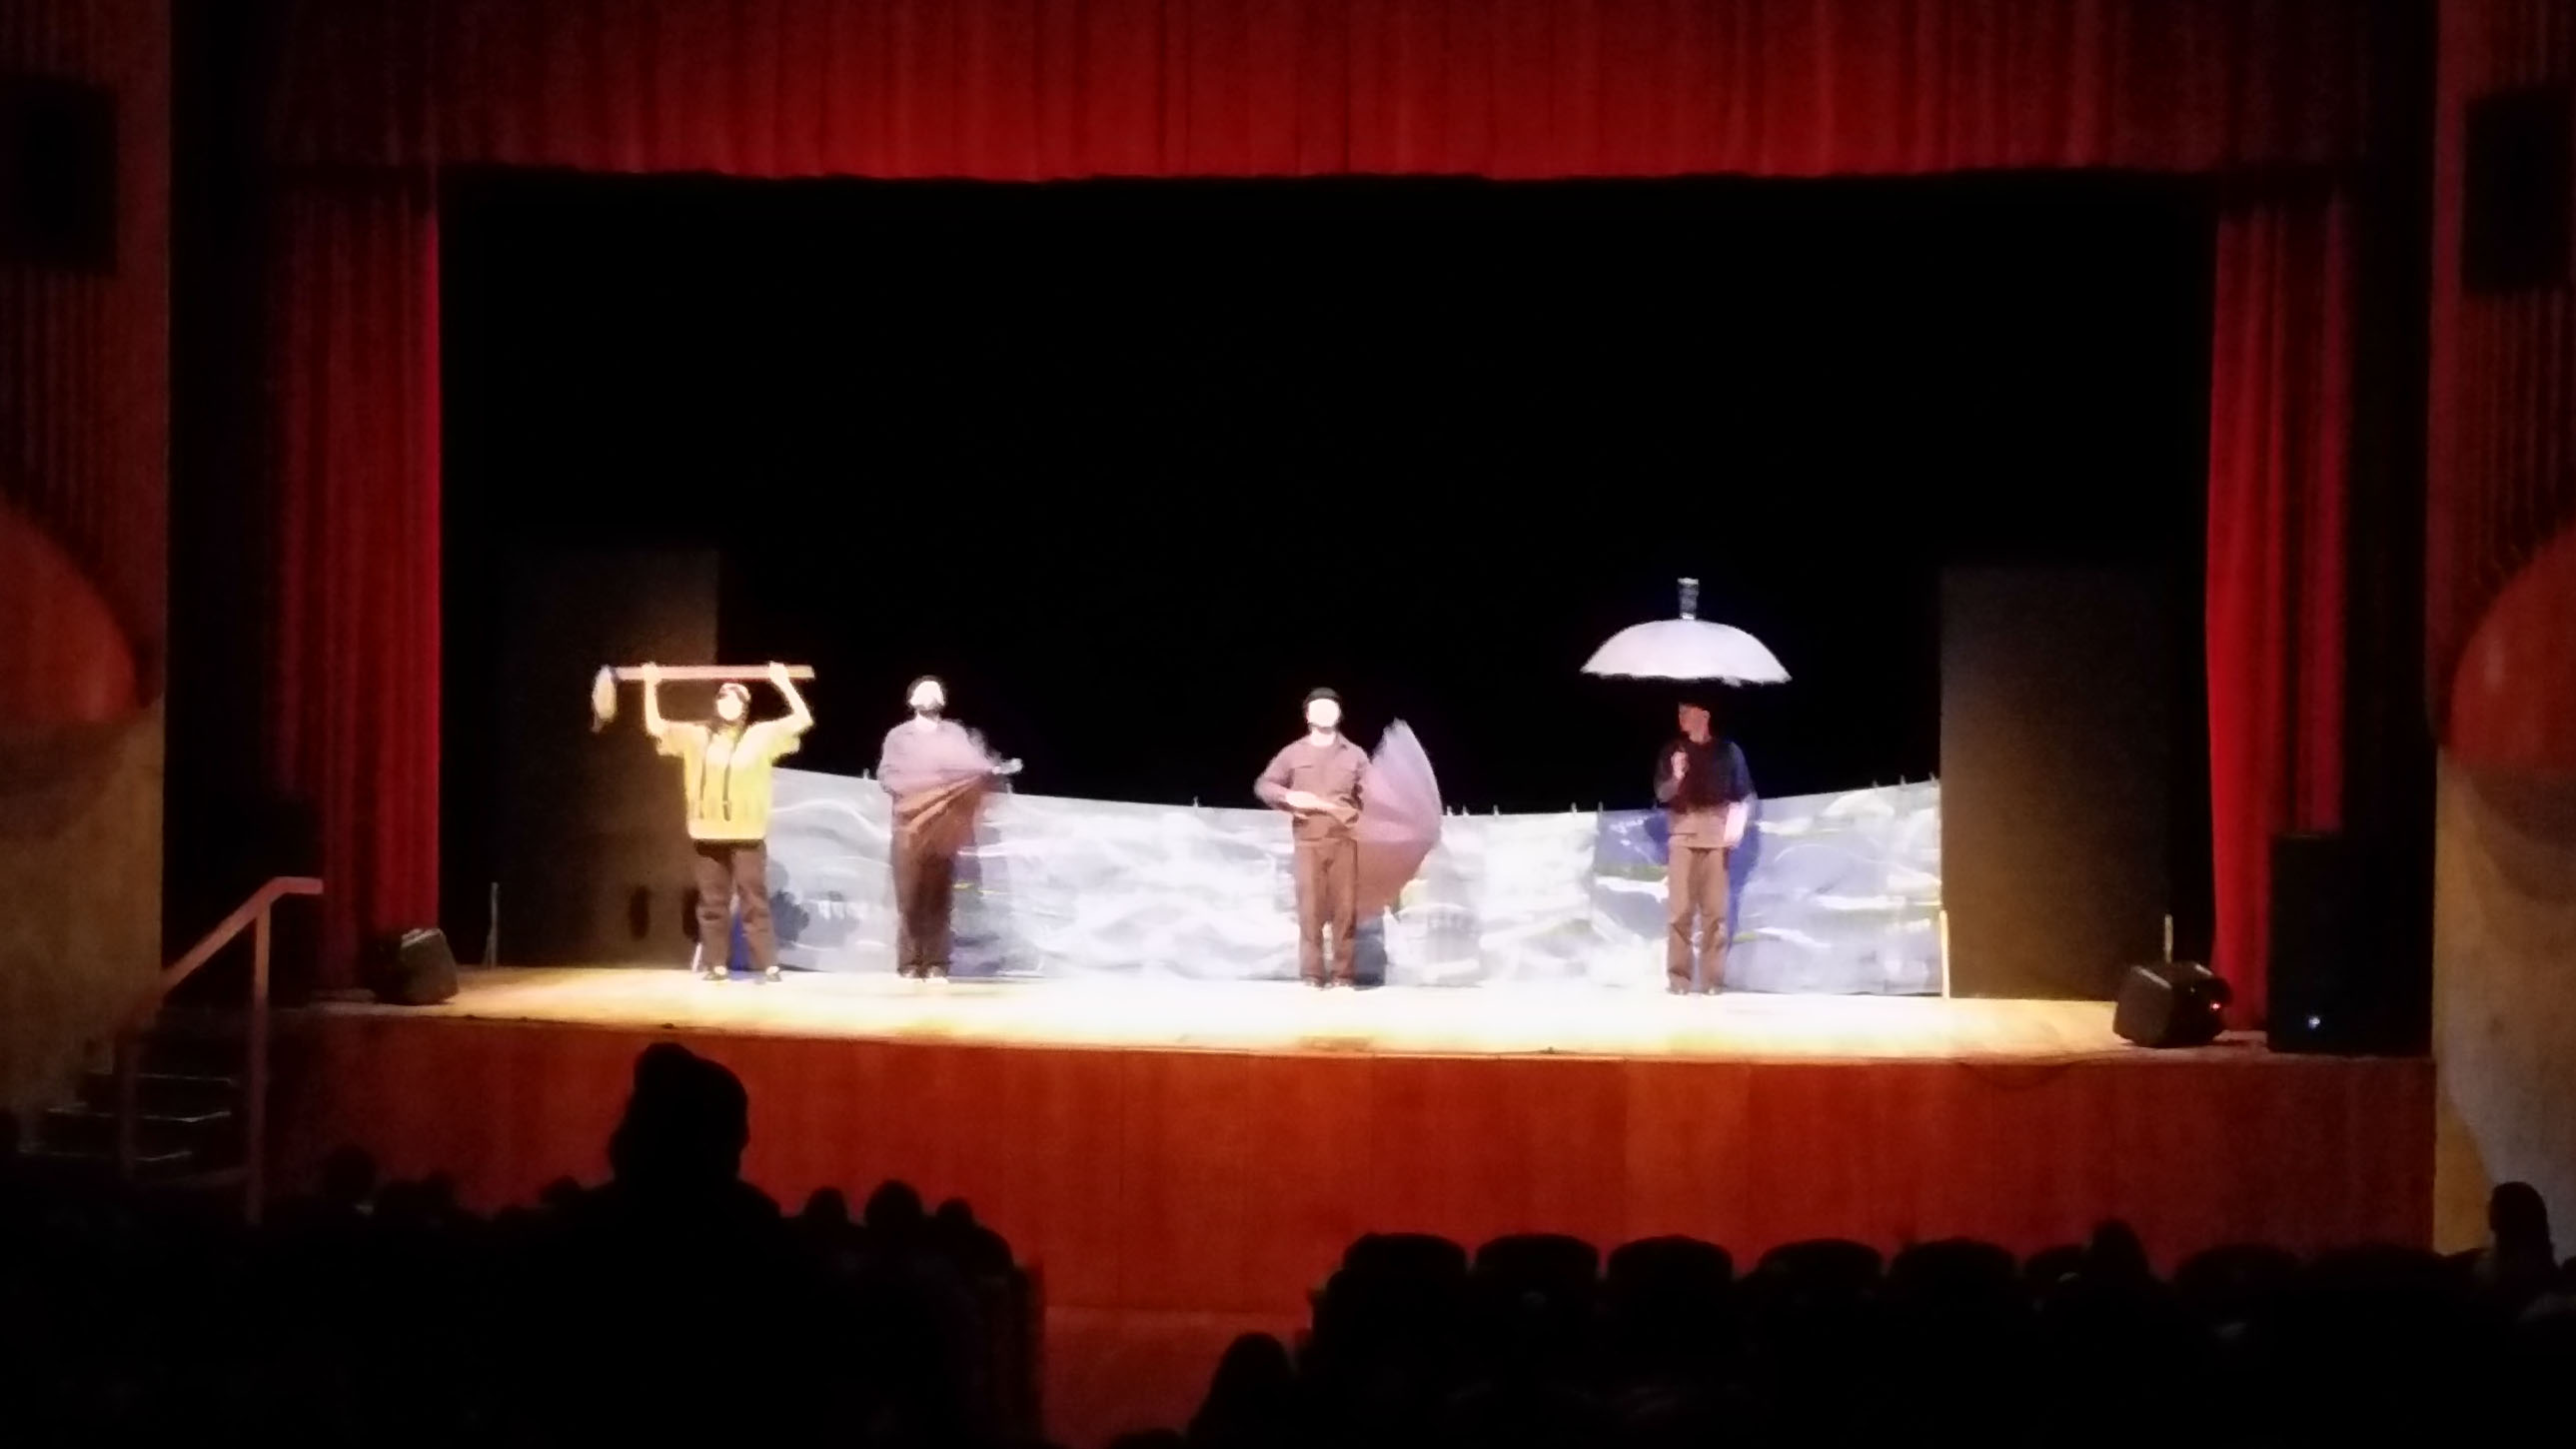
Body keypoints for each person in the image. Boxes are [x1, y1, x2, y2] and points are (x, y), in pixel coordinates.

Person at [640, 662, 812, 982]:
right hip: (707, 832)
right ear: (716, 703)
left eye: (736, 699)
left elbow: (803, 720)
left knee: (753, 901)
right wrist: (651, 685)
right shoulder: (697, 736)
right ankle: (715, 964)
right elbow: (655, 727)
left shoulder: (761, 736)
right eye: (722, 698)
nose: (728, 703)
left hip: (747, 833)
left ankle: (768, 965)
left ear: (745, 706)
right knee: (712, 903)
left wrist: (782, 682)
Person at [875, 676, 1016, 981]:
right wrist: (915, 791)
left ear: (942, 700)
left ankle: (937, 963)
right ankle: (909, 963)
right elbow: (886, 775)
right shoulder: (899, 736)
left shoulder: (953, 733)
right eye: (923, 690)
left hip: (943, 830)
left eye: (935, 690)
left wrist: (993, 770)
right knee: (910, 898)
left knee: (938, 899)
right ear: (911, 700)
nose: (929, 694)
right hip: (910, 830)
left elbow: (972, 767)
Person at [1256, 688, 1370, 989]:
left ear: (1340, 714)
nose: (1324, 712)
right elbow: (1265, 785)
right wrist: (1288, 796)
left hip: (1346, 840)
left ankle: (1343, 976)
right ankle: (1312, 976)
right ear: (1307, 716)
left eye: (1331, 707)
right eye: (1318, 708)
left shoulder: (1355, 754)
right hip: (1308, 840)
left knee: (1346, 911)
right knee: (1310, 911)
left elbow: (1373, 794)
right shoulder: (1293, 753)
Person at [1654, 698, 1753, 994]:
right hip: (1682, 832)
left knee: (1714, 913)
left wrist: (1735, 827)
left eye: (1689, 712)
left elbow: (1742, 793)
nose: (1682, 717)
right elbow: (1662, 794)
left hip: (1715, 834)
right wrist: (1677, 776)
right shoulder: (1673, 751)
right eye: (1680, 712)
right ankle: (1679, 979)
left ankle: (1712, 980)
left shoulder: (1728, 751)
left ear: (1705, 715)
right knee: (1680, 911)